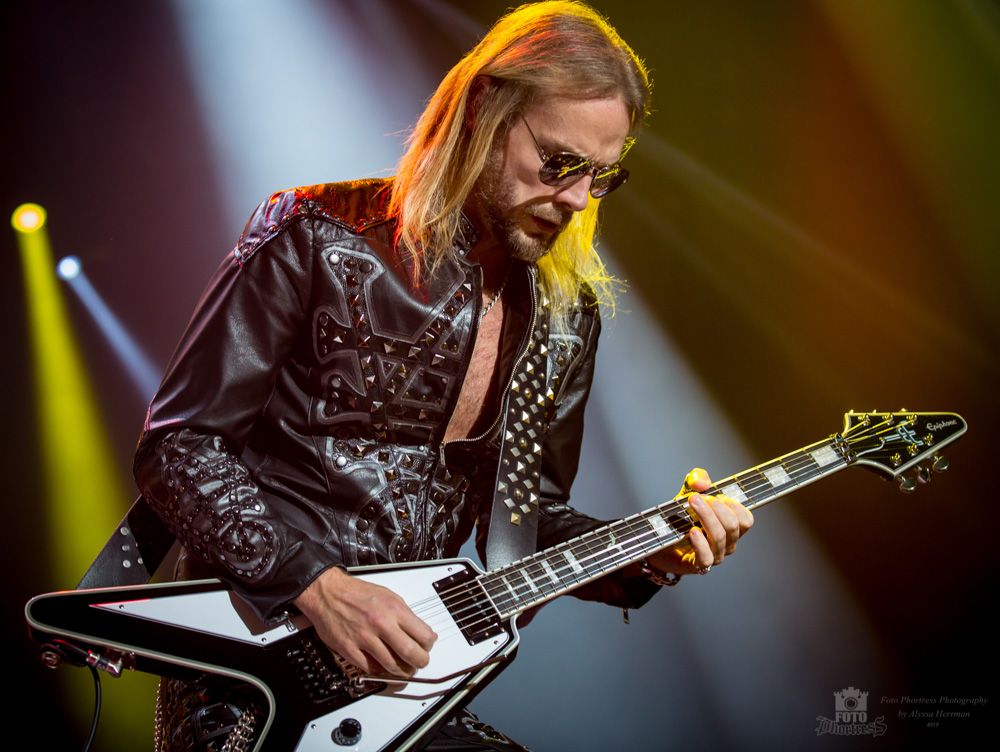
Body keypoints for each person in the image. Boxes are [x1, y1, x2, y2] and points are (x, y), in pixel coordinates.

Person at [134, 2, 753, 749]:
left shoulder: (564, 315)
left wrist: (657, 550)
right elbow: (179, 446)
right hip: (252, 681)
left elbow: (528, 520)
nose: (577, 201)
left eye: (600, 177)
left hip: (404, 690)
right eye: (558, 164)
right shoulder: (316, 235)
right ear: (484, 110)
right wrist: (317, 588)